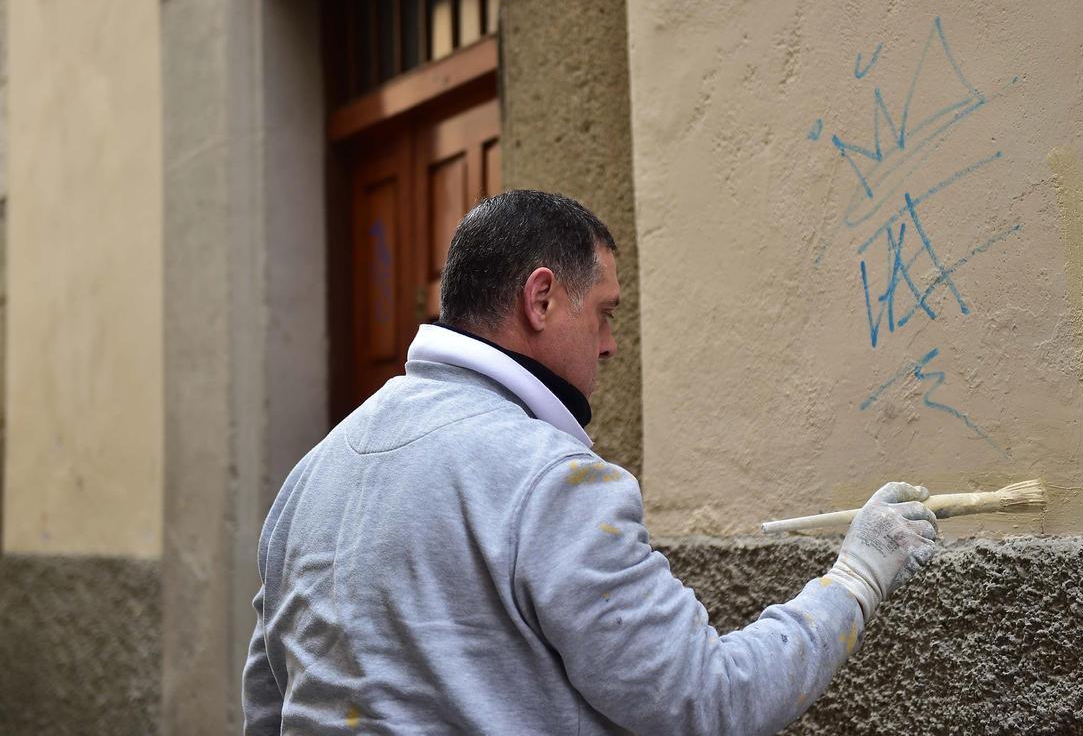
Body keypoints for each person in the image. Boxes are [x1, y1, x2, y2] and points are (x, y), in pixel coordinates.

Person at [242, 190, 939, 735]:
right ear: (541, 298)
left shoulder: (309, 475)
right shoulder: (554, 480)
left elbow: (268, 708)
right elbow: (709, 699)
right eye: (605, 311)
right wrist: (854, 577)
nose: (609, 344)